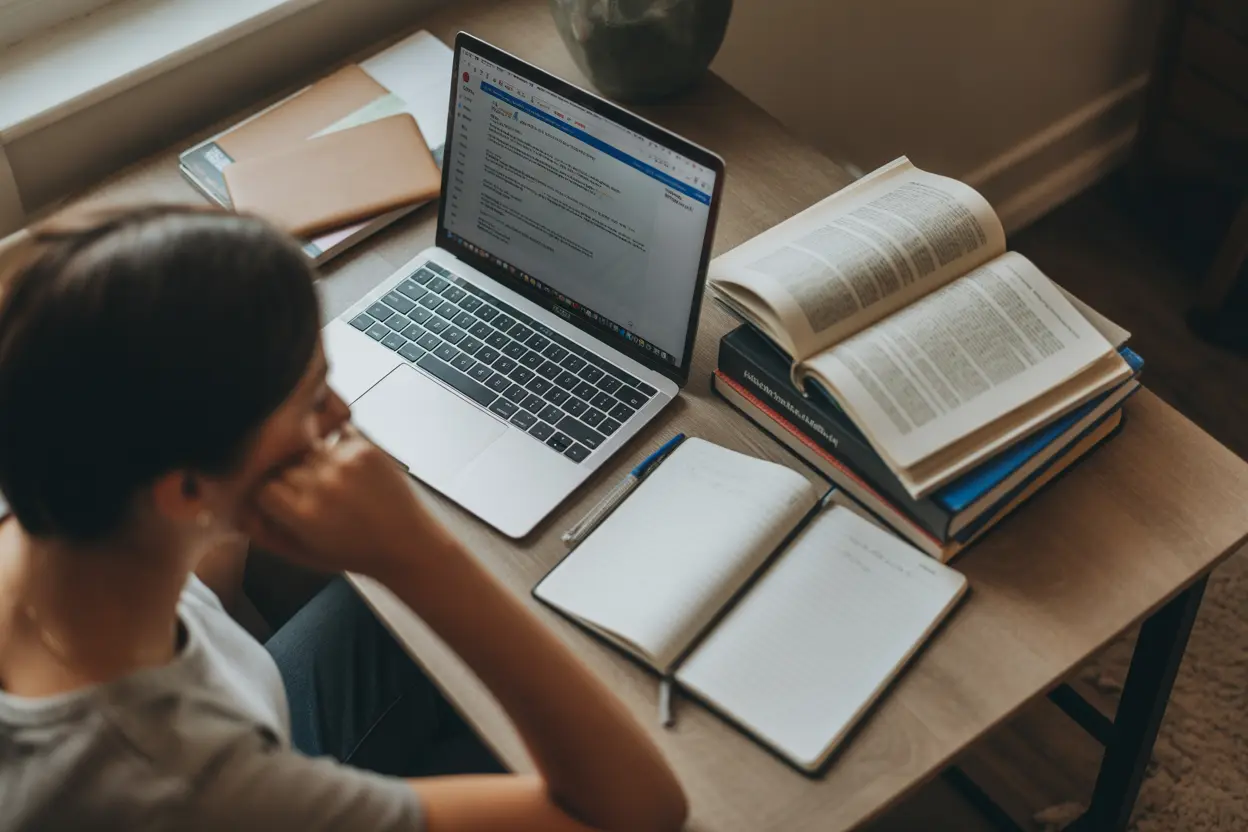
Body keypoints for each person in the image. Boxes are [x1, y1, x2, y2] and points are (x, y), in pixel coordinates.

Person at [0, 206, 688, 832]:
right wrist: (418, 554)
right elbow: (636, 814)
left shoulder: (56, 485)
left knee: (388, 638)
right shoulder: (189, 788)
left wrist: (235, 493)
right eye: (309, 398)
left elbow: (210, 597)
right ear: (183, 490)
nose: (340, 417)